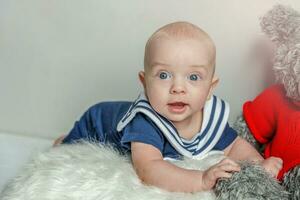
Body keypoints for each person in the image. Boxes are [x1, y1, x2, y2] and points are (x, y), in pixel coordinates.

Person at [53, 21, 283, 193]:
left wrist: (258, 164)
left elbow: (234, 145)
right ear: (144, 82)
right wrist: (200, 179)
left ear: (210, 87)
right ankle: (66, 139)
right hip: (98, 122)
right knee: (68, 149)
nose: (178, 88)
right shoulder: (145, 121)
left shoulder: (208, 116)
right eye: (164, 75)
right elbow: (149, 169)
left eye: (193, 77)